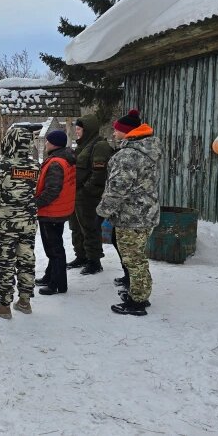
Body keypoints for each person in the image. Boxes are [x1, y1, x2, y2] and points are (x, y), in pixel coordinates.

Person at [97, 109, 160, 316]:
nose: (114, 134)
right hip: (145, 213)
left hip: (131, 216)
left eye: (117, 131)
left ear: (127, 132)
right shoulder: (147, 150)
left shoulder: (128, 156)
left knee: (134, 259)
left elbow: (117, 188)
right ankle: (139, 293)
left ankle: (138, 301)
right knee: (136, 257)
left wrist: (102, 211)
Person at [0, 127, 40, 319]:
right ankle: (24, 301)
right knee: (26, 260)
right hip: (28, 223)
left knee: (6, 262)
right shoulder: (36, 167)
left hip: (5, 224)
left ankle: (4, 305)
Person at [66, 114, 114, 275]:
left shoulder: (99, 145)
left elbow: (98, 174)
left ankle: (94, 261)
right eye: (76, 129)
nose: (76, 132)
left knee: (90, 228)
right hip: (76, 195)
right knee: (76, 227)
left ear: (88, 130)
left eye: (79, 129)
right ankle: (81, 256)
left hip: (88, 196)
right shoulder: (83, 145)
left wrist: (86, 190)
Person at [35, 130, 77, 296]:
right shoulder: (66, 158)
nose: (45, 144)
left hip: (51, 211)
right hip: (61, 209)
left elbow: (52, 190)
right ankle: (50, 276)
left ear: (54, 144)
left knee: (54, 249)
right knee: (56, 245)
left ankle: (57, 284)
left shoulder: (55, 163)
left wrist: (34, 203)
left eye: (47, 141)